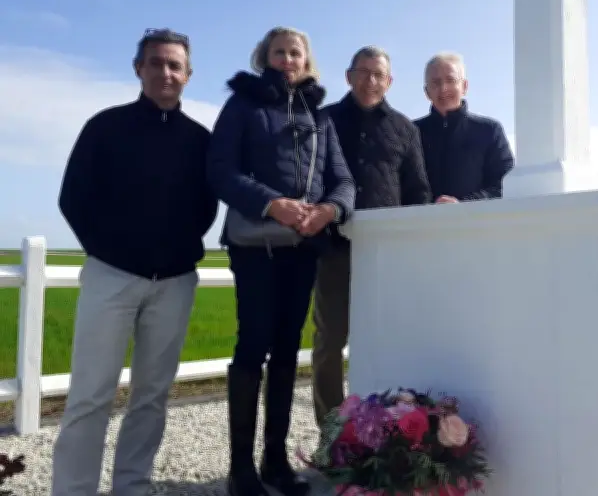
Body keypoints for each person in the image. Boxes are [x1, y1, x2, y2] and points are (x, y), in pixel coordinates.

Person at [51, 28, 219, 496]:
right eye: (156, 63)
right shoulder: (105, 127)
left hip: (175, 281)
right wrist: (113, 251)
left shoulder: (200, 140)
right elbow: (74, 198)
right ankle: (73, 489)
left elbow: (206, 208)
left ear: (188, 74)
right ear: (138, 68)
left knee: (151, 395)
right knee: (90, 394)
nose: (166, 73)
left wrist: (174, 249)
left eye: (175, 65)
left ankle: (132, 484)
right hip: (111, 276)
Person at [207, 26, 355, 496]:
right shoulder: (243, 106)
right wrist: (273, 203)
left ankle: (275, 462)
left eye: (296, 52)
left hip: (303, 249)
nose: (288, 59)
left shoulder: (320, 116)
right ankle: (240, 470)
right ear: (264, 58)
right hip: (255, 248)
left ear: (307, 60)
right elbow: (219, 170)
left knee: (289, 351)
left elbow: (343, 180)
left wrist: (330, 210)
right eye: (279, 52)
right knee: (252, 345)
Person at [312, 46, 431, 425]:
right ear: (348, 76)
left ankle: (384, 432)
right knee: (330, 343)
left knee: (387, 341)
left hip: (386, 256)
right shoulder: (322, 120)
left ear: (390, 81)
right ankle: (332, 435)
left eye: (379, 74)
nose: (371, 80)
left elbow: (418, 192)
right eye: (363, 72)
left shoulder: (404, 129)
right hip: (332, 248)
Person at [414, 52, 515, 202]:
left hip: (476, 222)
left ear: (464, 86)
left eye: (450, 80)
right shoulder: (410, 133)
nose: (443, 88)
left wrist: (463, 204)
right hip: (419, 223)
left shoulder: (489, 130)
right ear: (427, 91)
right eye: (436, 82)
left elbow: (505, 184)